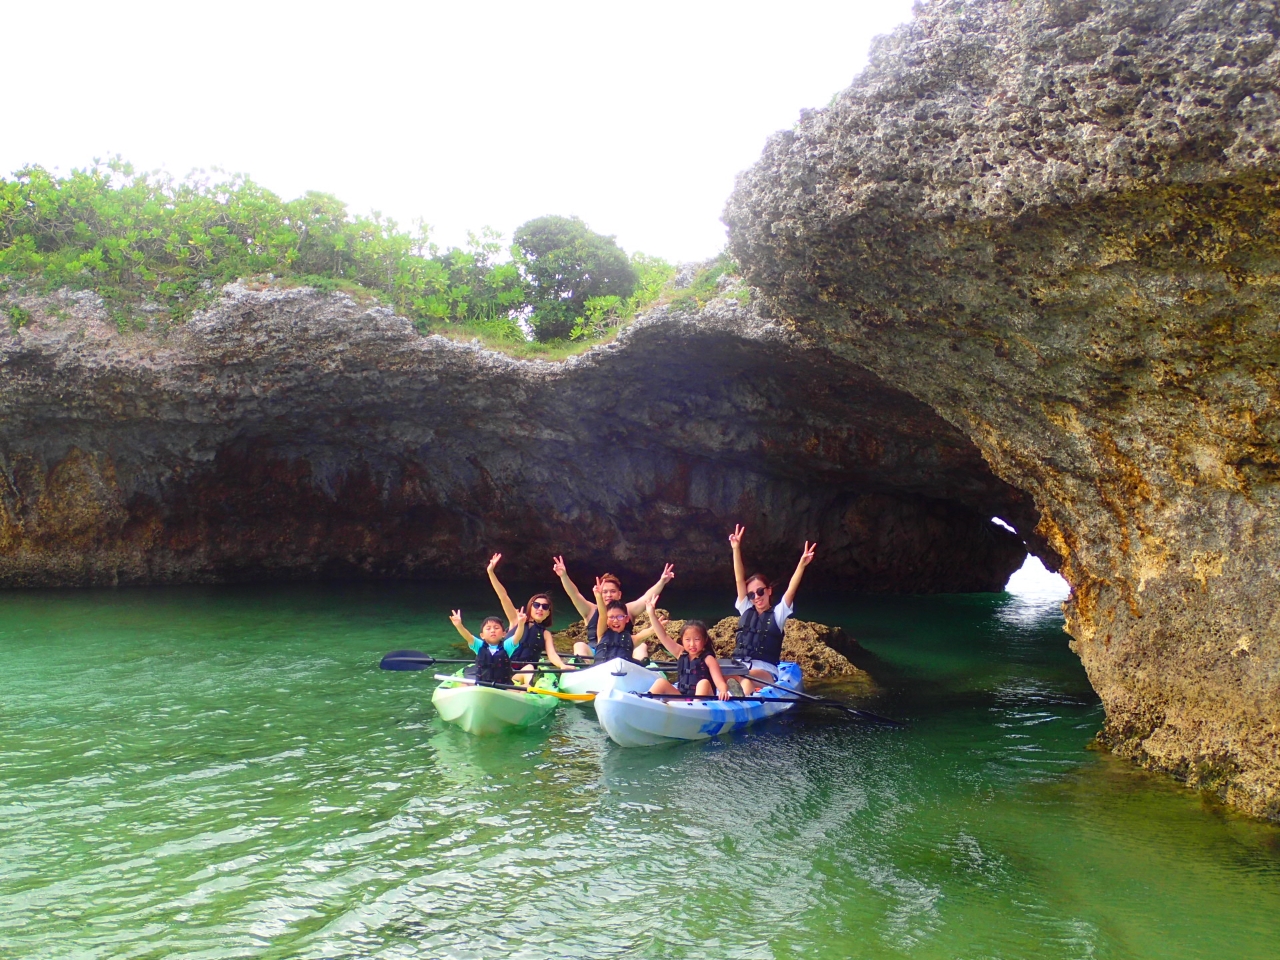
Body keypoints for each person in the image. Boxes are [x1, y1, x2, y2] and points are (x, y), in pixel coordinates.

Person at [728, 524, 817, 695]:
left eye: (760, 591)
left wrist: (801, 565)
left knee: (746, 677)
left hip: (765, 672)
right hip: (739, 667)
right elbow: (739, 579)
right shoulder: (746, 609)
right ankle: (724, 694)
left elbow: (791, 590)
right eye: (752, 594)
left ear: (769, 591)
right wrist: (736, 548)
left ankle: (743, 699)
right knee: (717, 672)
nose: (757, 597)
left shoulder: (778, 614)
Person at [553, 556, 674, 661]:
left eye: (612, 591)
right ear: (599, 593)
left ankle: (638, 669)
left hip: (624, 651)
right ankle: (583, 668)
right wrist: (563, 576)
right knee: (579, 645)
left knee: (641, 646)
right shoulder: (590, 610)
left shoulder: (627, 610)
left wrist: (662, 581)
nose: (609, 595)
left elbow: (646, 598)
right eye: (605, 592)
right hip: (596, 653)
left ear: (619, 594)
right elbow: (574, 594)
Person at [486, 553, 570, 684]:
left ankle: (523, 689)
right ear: (530, 607)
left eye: (545, 607)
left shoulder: (546, 634)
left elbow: (552, 654)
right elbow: (503, 596)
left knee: (530, 667)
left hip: (524, 672)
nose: (540, 609)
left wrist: (562, 665)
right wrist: (490, 572)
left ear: (548, 613)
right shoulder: (516, 620)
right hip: (504, 668)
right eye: (536, 605)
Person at [644, 601, 729, 700]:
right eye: (688, 640)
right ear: (682, 640)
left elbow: (719, 682)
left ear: (705, 640)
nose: (692, 644)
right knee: (661, 682)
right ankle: (646, 702)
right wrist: (651, 614)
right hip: (684, 699)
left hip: (705, 700)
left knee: (703, 683)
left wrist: (723, 691)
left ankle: (696, 705)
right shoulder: (680, 653)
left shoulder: (709, 659)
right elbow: (663, 636)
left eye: (697, 639)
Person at [449, 608, 527, 686]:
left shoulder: (507, 646)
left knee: (522, 687)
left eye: (496, 628)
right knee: (463, 685)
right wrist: (459, 625)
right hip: (482, 685)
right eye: (488, 628)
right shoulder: (479, 646)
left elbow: (517, 636)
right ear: (482, 635)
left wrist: (521, 624)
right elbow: (468, 636)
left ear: (504, 634)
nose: (492, 631)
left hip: (503, 686)